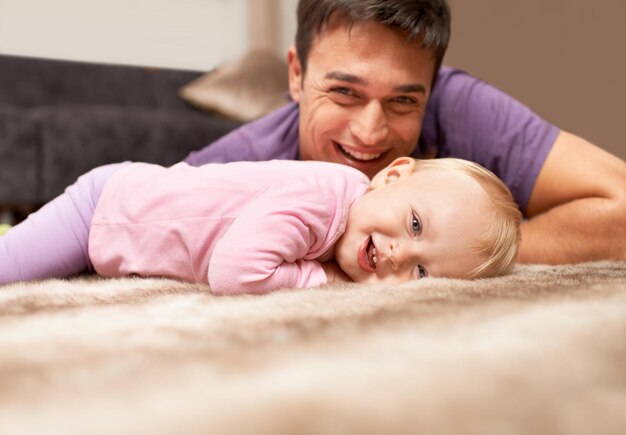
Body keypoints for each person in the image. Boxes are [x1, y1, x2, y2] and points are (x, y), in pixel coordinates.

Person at [184, 0, 626, 264]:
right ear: (297, 76)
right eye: (344, 92)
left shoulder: (458, 106)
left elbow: (620, 205)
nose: (370, 132)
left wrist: (466, 250)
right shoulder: (236, 165)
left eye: (403, 101)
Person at [0, 157, 521, 294]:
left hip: (118, 237)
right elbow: (233, 272)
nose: (398, 256)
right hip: (106, 209)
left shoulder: (347, 219)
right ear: (391, 175)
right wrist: (317, 281)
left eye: (424, 273)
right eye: (413, 224)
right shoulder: (322, 199)